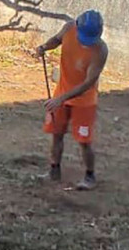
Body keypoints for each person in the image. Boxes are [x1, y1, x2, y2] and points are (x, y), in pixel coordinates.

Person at [36, 10, 108, 191]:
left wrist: (61, 98)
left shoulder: (100, 50)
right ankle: (54, 171)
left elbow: (88, 83)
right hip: (61, 96)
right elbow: (56, 40)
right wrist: (44, 47)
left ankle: (90, 176)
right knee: (56, 134)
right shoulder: (69, 29)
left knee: (84, 141)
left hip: (84, 101)